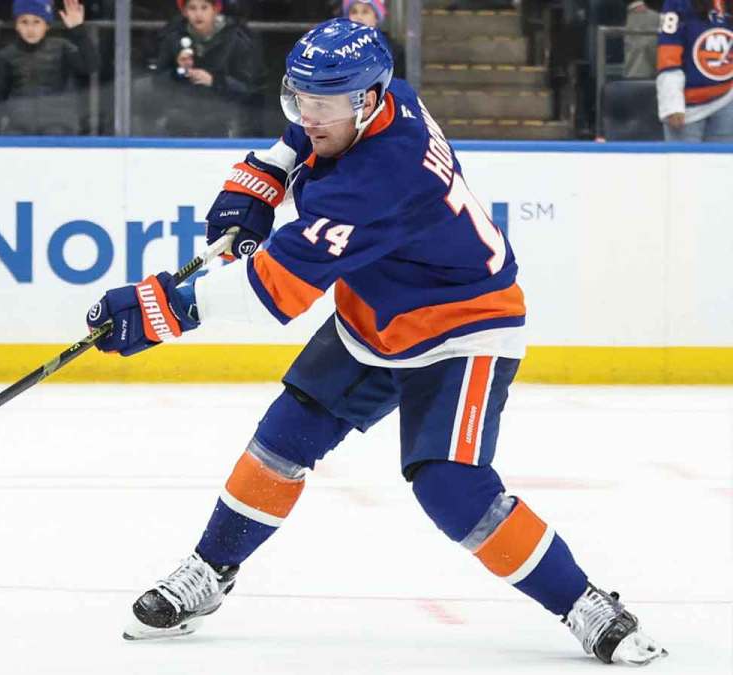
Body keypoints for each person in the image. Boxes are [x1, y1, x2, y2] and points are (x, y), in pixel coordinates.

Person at [84, 19, 668, 666]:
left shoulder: (379, 179)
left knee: (451, 487)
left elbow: (271, 293)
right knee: (279, 443)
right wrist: (254, 186)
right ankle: (209, 570)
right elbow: (294, 144)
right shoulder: (382, 100)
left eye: (323, 103)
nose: (308, 115)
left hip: (464, 326)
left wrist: (159, 307)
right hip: (375, 314)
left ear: (366, 100)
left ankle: (585, 602)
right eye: (300, 97)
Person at [147, 0, 266, 136]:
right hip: (178, 123)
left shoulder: (236, 40)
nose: (198, 14)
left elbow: (247, 89)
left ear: (215, 10)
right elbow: (157, 84)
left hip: (223, 125)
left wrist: (214, 81)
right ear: (184, 12)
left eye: (204, 8)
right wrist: (178, 71)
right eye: (192, 8)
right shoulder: (172, 39)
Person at [0, 0, 99, 135]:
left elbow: (91, 66)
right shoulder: (6, 55)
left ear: (47, 25)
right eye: (24, 22)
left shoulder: (62, 47)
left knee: (54, 134)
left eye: (37, 22)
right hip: (19, 126)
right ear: (16, 25)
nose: (30, 29)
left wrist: (77, 29)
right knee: (14, 137)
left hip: (57, 124)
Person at [656, 0, 733, 141]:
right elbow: (668, 55)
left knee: (722, 163)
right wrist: (672, 104)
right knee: (684, 162)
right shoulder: (677, 3)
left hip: (726, 99)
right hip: (687, 108)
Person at [342, 0, 405, 78]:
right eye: (354, 12)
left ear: (376, 18)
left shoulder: (393, 50)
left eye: (365, 12)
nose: (359, 17)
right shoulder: (340, 51)